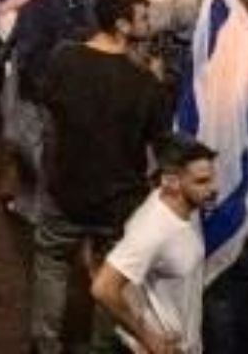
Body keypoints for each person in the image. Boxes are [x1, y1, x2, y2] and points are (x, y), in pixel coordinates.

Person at [30, 0, 169, 354]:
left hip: (65, 189)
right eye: (143, 17)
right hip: (118, 200)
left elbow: (49, 112)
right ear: (123, 26)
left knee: (52, 262)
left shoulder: (64, 58)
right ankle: (103, 344)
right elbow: (162, 140)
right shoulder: (144, 83)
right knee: (113, 277)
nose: (149, 24)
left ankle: (45, 342)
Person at [92, 136, 223, 354]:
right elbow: (103, 288)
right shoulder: (152, 230)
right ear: (171, 182)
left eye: (212, 179)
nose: (213, 188)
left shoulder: (189, 207)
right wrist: (149, 339)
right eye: (201, 182)